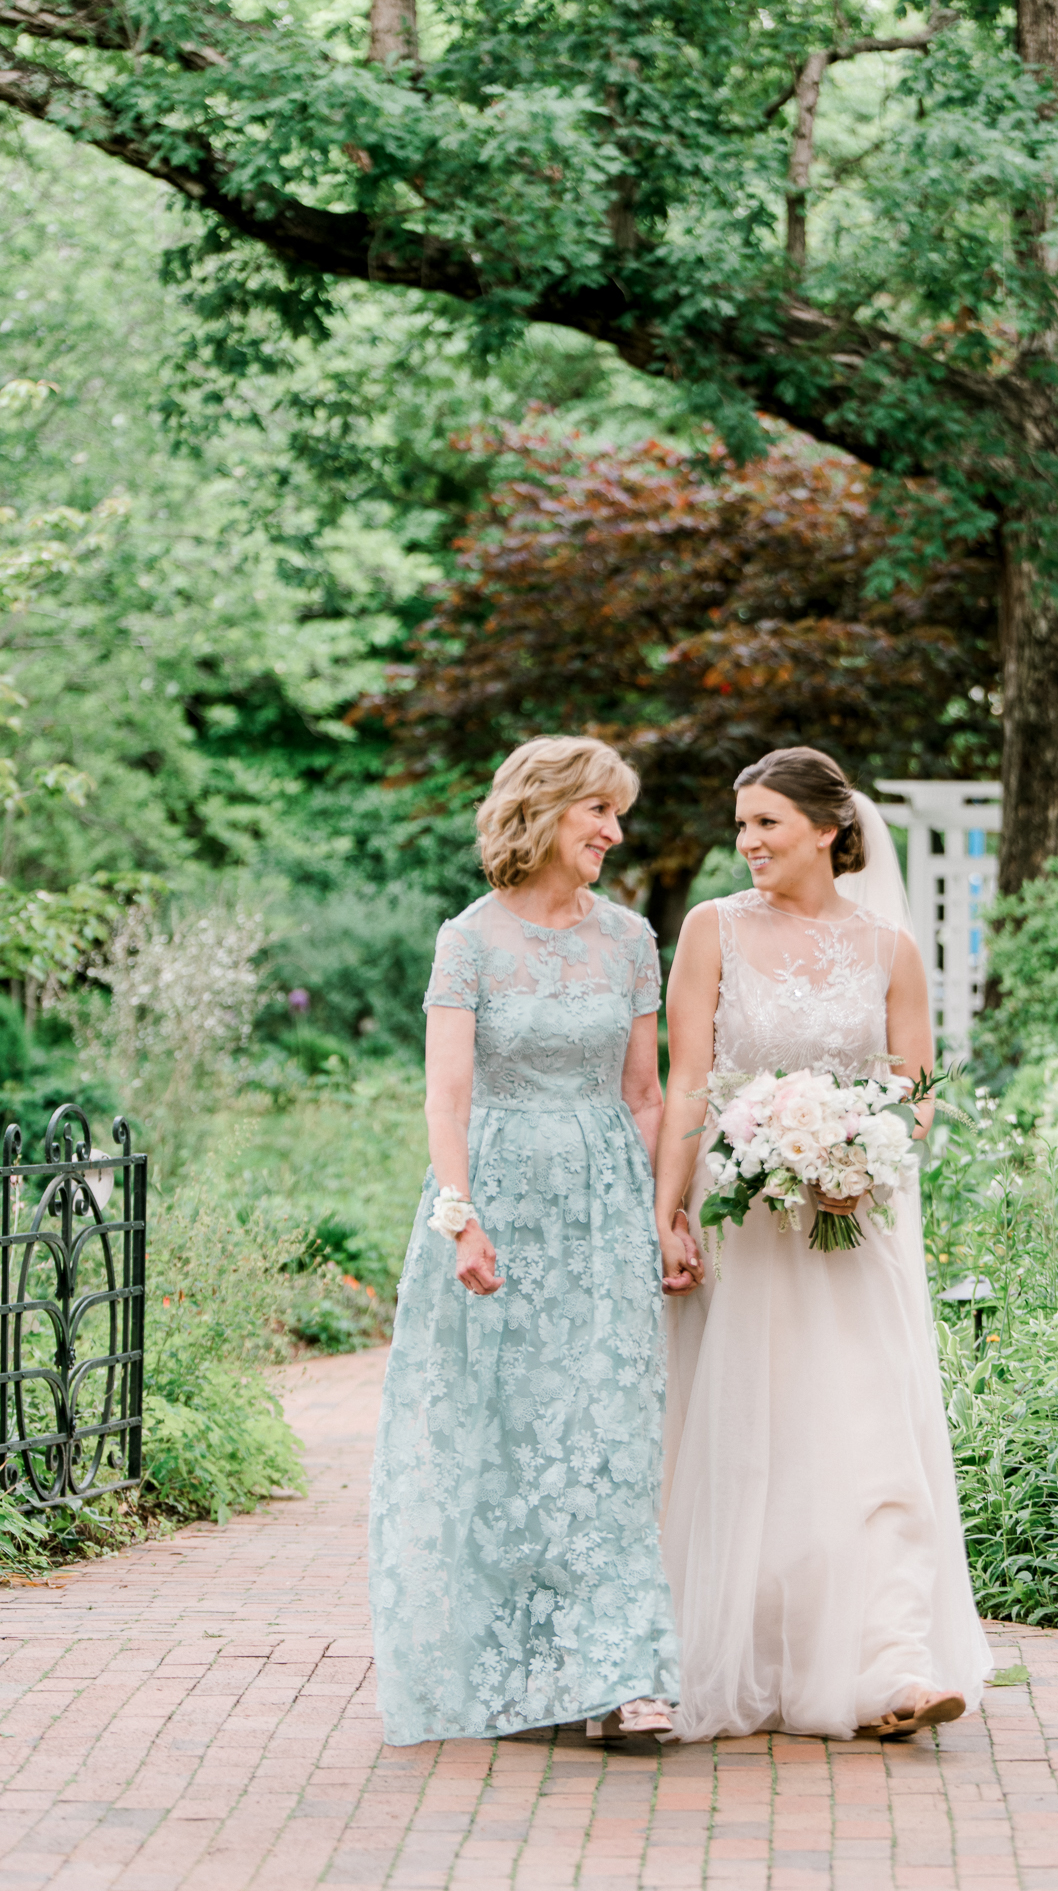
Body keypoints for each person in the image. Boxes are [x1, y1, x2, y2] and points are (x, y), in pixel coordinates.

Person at [655, 746, 993, 1741]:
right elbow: (686, 1084)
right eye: (740, 823)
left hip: (852, 1229)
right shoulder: (711, 928)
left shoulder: (889, 948)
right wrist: (668, 1212)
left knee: (868, 1428)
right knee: (758, 1437)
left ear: (826, 829)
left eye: (764, 821)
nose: (746, 840)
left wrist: (854, 1154)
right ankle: (760, 1653)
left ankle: (890, 1662)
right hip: (747, 1229)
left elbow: (912, 1094)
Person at [368, 734, 683, 1745]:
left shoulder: (632, 937)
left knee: (606, 1440)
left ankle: (621, 1675)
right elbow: (444, 1092)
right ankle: (519, 1667)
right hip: (496, 1204)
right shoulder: (469, 939)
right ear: (542, 810)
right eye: (597, 810)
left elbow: (645, 1091)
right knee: (502, 1438)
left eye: (616, 814)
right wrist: (458, 1213)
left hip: (602, 1201)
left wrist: (665, 1215)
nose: (613, 832)